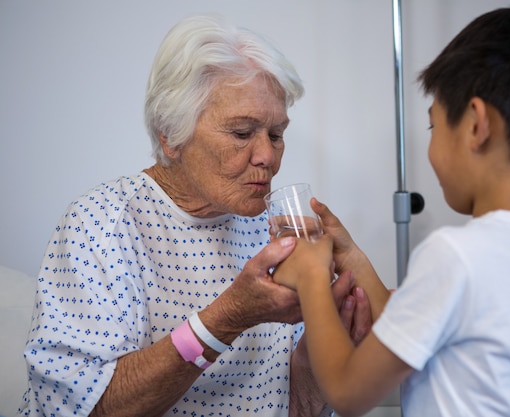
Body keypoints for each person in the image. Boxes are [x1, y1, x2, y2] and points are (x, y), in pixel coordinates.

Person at [18, 13, 372, 417]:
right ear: (171, 135)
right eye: (242, 133)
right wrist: (228, 317)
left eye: (276, 134)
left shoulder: (274, 230)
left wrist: (320, 356)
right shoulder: (102, 224)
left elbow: (292, 405)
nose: (268, 156)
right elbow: (80, 407)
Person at [273, 5, 510, 417]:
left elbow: (348, 392)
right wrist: (349, 255)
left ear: (477, 125)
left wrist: (311, 278)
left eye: (434, 126)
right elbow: (413, 334)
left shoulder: (455, 255)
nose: (430, 147)